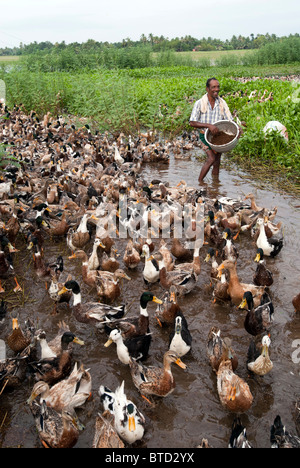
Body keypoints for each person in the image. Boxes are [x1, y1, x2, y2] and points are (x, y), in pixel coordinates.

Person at [189, 77, 241, 183]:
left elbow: (229, 120)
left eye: (217, 87)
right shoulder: (200, 103)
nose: (216, 89)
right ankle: (200, 183)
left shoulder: (222, 103)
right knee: (211, 158)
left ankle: (215, 186)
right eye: (213, 87)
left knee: (217, 162)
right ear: (207, 89)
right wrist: (209, 126)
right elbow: (192, 122)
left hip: (218, 136)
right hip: (205, 136)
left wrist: (237, 128)